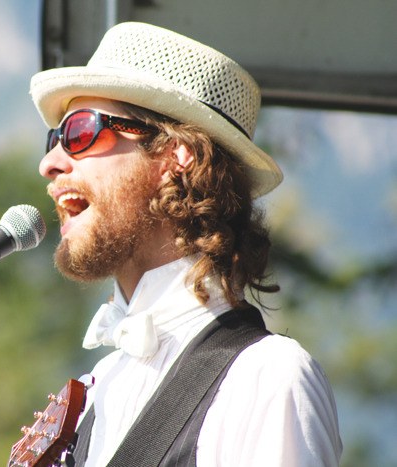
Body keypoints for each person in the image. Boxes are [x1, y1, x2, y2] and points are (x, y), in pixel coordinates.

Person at [29, 22, 342, 466]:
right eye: (54, 139)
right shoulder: (98, 389)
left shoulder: (267, 379)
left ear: (174, 155)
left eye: (80, 132)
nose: (50, 162)